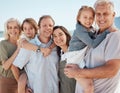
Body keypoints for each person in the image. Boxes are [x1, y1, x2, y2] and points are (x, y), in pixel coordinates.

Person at [64, 0, 120, 93]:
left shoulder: (115, 36)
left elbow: (111, 70)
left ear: (113, 15)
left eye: (105, 14)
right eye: (98, 14)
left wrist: (78, 72)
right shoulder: (94, 34)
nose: (101, 17)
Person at [13, 15, 59, 93]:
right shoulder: (28, 47)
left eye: (50, 25)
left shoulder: (57, 45)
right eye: (44, 25)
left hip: (55, 90)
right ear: (39, 27)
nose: (48, 28)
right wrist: (24, 86)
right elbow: (14, 66)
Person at [0, 18, 21, 93]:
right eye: (10, 28)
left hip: (21, 81)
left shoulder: (23, 43)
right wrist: (18, 50)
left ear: (19, 29)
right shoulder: (3, 44)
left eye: (15, 27)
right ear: (7, 30)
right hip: (6, 82)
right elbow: (5, 66)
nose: (13, 30)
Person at [52, 26, 76, 93]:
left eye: (60, 34)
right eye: (55, 36)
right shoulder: (59, 55)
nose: (58, 38)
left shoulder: (74, 52)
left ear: (66, 35)